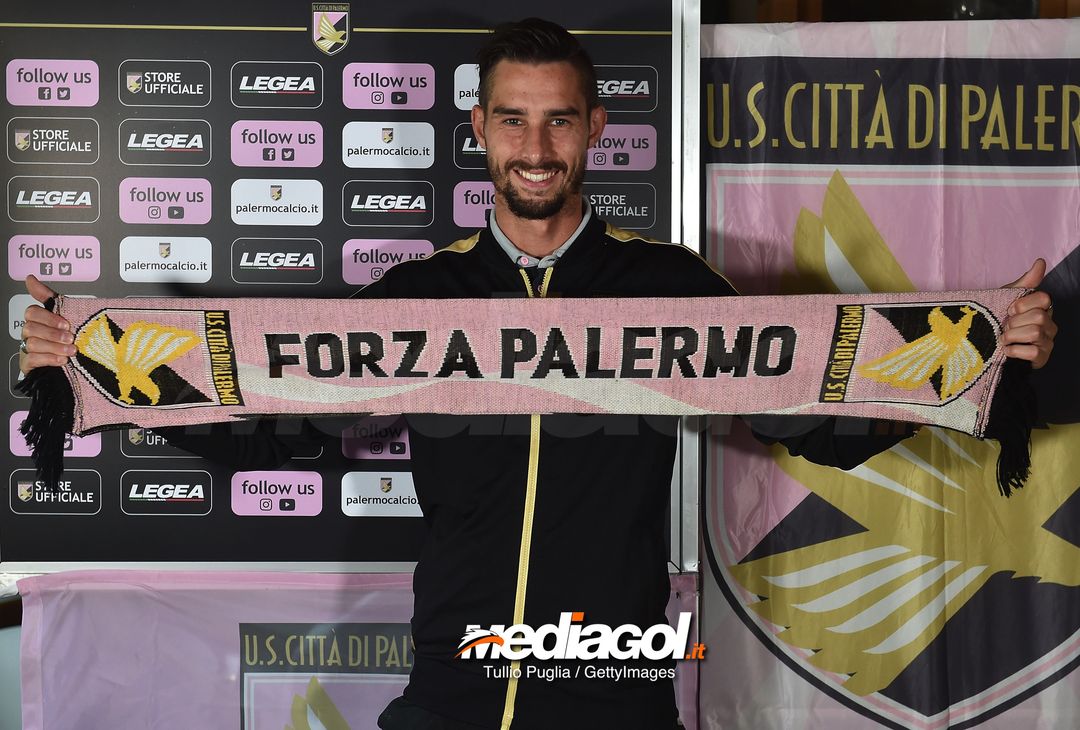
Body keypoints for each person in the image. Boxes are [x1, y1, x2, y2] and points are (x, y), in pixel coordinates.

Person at [19, 18, 1056, 730]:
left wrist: (984, 366)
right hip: (454, 681)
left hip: (612, 676)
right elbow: (278, 422)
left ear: (596, 128)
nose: (536, 145)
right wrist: (98, 373)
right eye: (512, 119)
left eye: (559, 118)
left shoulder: (666, 287)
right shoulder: (421, 298)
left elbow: (812, 411)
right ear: (478, 131)